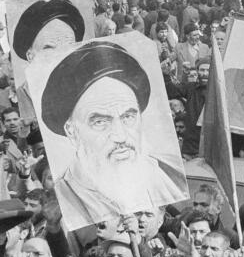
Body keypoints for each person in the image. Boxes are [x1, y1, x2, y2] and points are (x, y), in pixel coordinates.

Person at [39, 41, 187, 229]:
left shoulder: (165, 176)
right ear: (72, 131)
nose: (120, 136)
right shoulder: (61, 203)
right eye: (100, 122)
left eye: (128, 117)